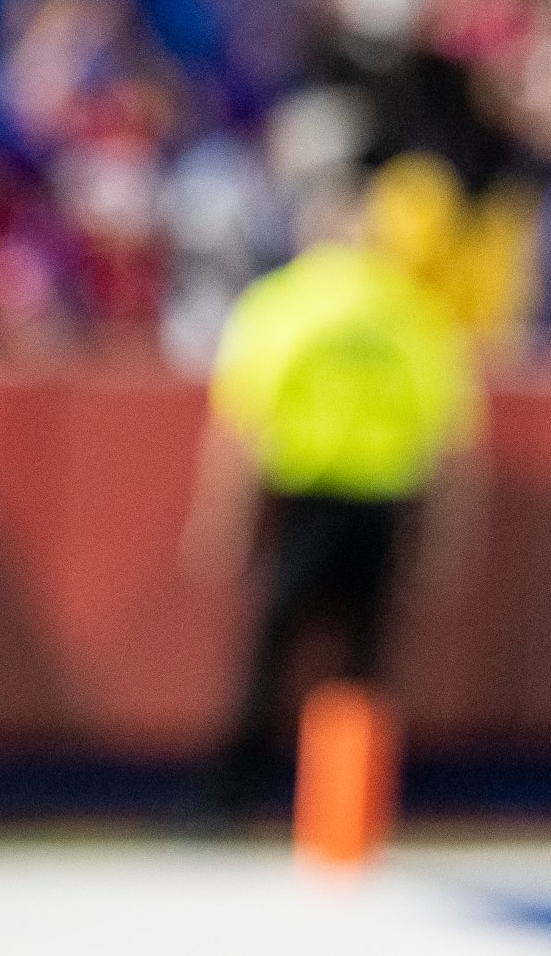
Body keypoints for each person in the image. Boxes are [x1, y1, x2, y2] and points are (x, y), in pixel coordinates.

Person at [183, 171, 484, 820]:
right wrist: (443, 539)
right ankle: (349, 809)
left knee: (269, 652)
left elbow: (241, 426)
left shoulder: (279, 304)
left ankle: (228, 800)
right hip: (380, 505)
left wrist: (223, 521)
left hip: (306, 500)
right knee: (363, 664)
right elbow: (452, 445)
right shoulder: (413, 311)